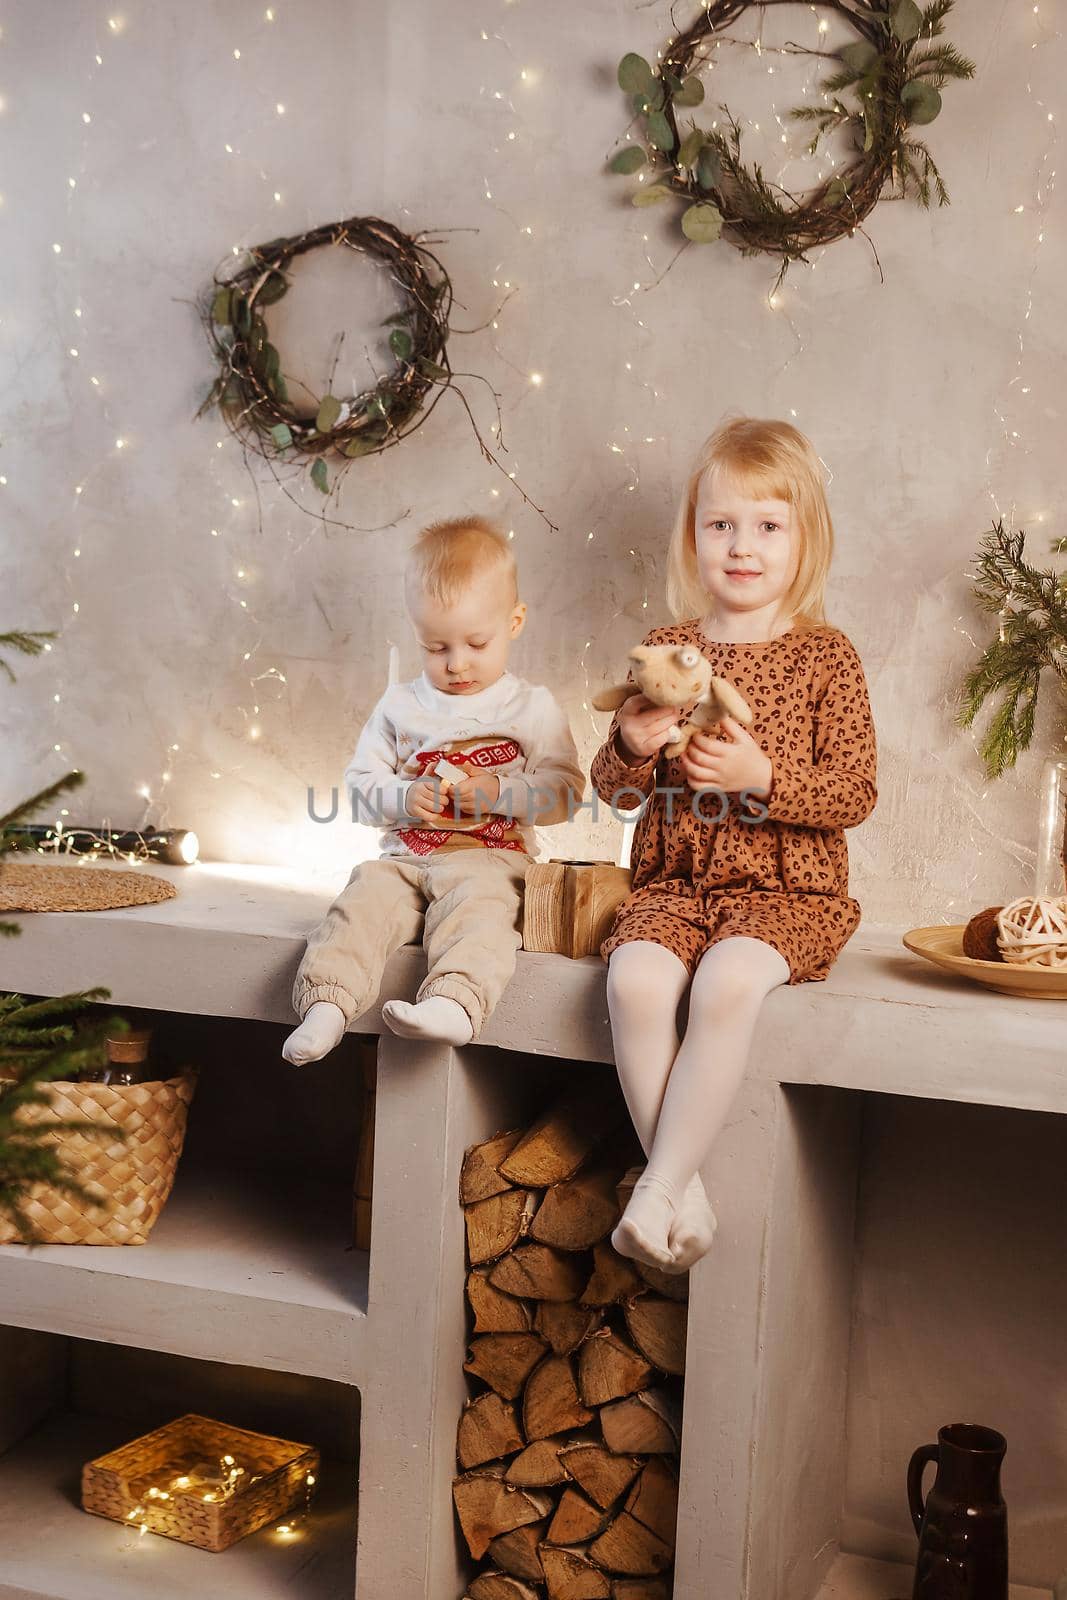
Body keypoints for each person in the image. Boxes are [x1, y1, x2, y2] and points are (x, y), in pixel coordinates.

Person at [591, 416, 877, 1274]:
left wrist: (760, 775)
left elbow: (854, 793)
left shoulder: (826, 656)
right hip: (676, 886)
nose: (741, 546)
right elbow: (611, 790)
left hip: (788, 895)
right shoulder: (669, 651)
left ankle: (656, 1182)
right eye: (720, 525)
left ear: (803, 540)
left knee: (727, 981)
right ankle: (684, 1192)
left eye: (767, 525)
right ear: (693, 536)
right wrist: (634, 748)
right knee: (634, 978)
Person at [284, 516, 585, 1064]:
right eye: (435, 646)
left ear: (514, 621)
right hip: (406, 860)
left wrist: (498, 791)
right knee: (358, 905)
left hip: (489, 860)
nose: (457, 663)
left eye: (476, 642)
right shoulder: (400, 706)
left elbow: (564, 793)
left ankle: (453, 1003)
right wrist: (401, 798)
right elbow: (358, 787)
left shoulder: (530, 708)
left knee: (485, 916)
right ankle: (327, 1004)